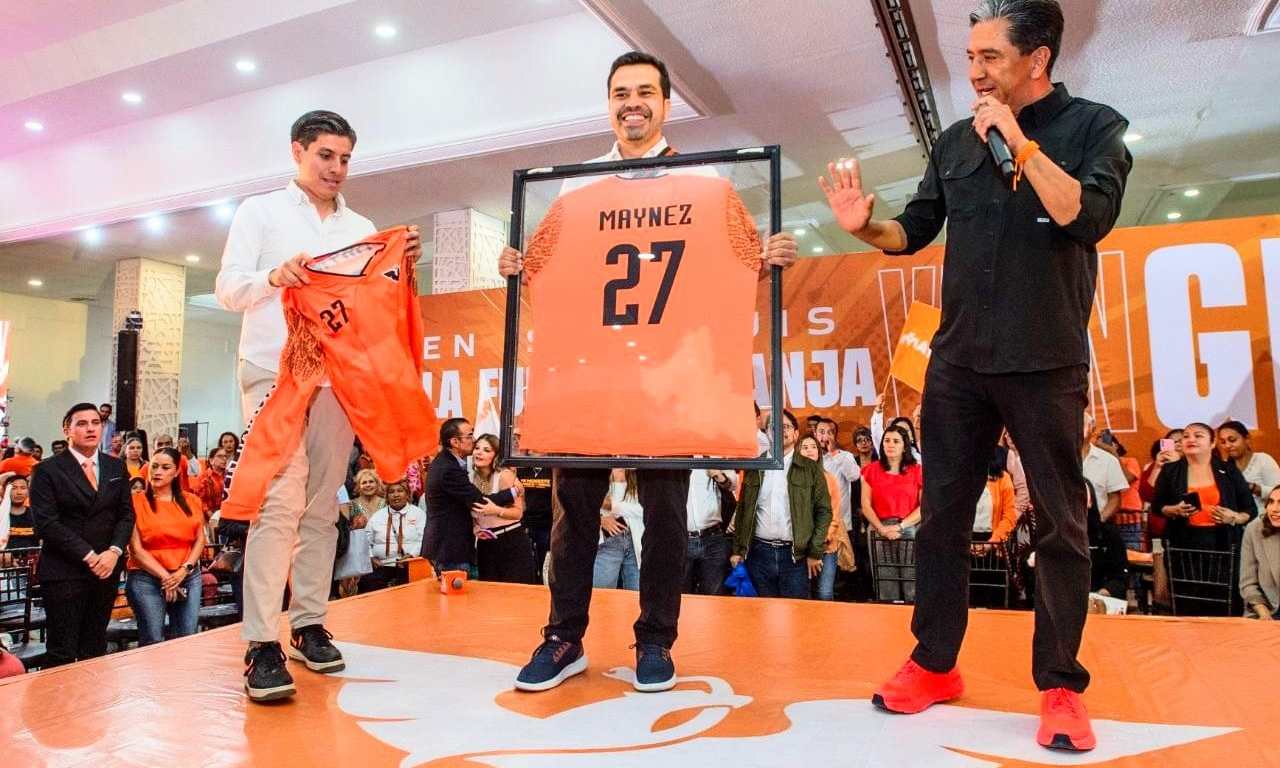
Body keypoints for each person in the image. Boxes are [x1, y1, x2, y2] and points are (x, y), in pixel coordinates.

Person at [820, 0, 1132, 750]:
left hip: (1045, 359)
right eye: (969, 57)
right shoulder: (956, 141)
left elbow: (1086, 217)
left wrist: (1021, 144)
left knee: (1060, 524)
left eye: (990, 56)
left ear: (1038, 59)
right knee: (942, 520)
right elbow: (912, 228)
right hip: (958, 361)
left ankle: (1060, 684)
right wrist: (865, 226)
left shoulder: (1095, 128)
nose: (975, 72)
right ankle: (935, 662)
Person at [499, 50, 798, 695]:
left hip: (667, 381)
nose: (632, 103)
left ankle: (656, 639)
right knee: (574, 513)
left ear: (665, 103)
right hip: (594, 377)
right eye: (620, 93)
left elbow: (736, 260)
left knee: (665, 514)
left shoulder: (703, 182)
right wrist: (518, 265)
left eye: (644, 92)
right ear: (609, 104)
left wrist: (766, 258)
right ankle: (563, 637)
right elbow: (547, 266)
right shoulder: (577, 188)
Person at [214, 109, 422, 703]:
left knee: (323, 503)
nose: (336, 168)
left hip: (338, 378)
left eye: (345, 158)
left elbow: (373, 301)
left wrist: (402, 262)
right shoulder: (260, 212)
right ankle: (261, 642)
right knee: (278, 503)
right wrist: (274, 278)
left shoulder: (361, 225)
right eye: (326, 155)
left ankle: (308, 623)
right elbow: (228, 288)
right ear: (297, 152)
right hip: (274, 371)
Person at [28, 403, 135, 667]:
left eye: (95, 423)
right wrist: (89, 555)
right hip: (65, 570)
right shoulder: (47, 470)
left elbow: (126, 515)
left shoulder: (115, 467)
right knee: (62, 651)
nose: (90, 429)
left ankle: (93, 695)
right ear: (67, 429)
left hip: (106, 570)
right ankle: (58, 696)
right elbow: (46, 524)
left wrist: (114, 552)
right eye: (82, 423)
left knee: (95, 646)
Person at [731, 411, 832, 599]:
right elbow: (743, 509)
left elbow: (824, 511)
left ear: (795, 433)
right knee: (762, 612)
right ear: (766, 433)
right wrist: (738, 550)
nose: (780, 431)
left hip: (795, 557)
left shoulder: (810, 468)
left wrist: (815, 552)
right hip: (758, 555)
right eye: (774, 427)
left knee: (796, 612)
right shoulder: (755, 467)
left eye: (785, 427)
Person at [125, 447, 206, 646]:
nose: (157, 472)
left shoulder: (192, 500)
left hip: (187, 575)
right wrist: (167, 578)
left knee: (186, 638)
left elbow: (200, 540)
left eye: (165, 467)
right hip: (146, 576)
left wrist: (184, 570)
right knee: (153, 639)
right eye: (154, 466)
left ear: (177, 471)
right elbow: (135, 549)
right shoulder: (135, 501)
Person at [423, 419, 517, 578]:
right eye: (470, 436)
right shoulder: (448, 469)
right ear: (455, 442)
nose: (474, 440)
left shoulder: (448, 463)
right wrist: (513, 492)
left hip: (453, 546)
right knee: (455, 593)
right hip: (450, 549)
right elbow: (479, 502)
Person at [1152, 422, 1253, 552]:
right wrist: (1174, 510)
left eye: (1198, 436)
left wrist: (1234, 518)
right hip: (1181, 544)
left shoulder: (1228, 470)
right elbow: (1157, 506)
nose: (1191, 440)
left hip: (1224, 543)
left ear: (1212, 443)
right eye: (1186, 436)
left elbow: (1250, 509)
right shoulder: (1170, 470)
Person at [470, 435, 535, 584]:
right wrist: (475, 527)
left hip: (511, 540)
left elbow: (518, 513)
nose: (479, 452)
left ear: (496, 455)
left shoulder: (504, 476)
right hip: (485, 543)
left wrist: (496, 510)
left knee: (514, 590)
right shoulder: (470, 478)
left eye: (486, 450)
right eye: (477, 448)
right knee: (489, 591)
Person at [800, 435, 855, 601]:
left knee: (825, 593)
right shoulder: (792, 479)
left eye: (813, 447)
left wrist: (822, 539)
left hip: (827, 544)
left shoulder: (829, 478)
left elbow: (834, 514)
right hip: (801, 546)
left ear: (819, 452)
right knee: (803, 593)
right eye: (805, 447)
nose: (810, 450)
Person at [362, 479, 426, 592]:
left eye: (400, 491)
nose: (396, 495)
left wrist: (412, 555)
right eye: (391, 492)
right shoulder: (377, 516)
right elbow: (365, 540)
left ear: (407, 494)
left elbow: (424, 538)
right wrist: (371, 557)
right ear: (387, 496)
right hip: (381, 567)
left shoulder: (418, 514)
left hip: (410, 566)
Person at [683, 467, 736, 596]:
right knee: (680, 597)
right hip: (680, 539)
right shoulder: (673, 458)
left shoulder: (712, 456)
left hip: (713, 538)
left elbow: (733, 484)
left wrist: (719, 476)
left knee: (713, 597)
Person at [594, 469, 645, 591]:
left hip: (636, 544)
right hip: (608, 542)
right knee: (602, 595)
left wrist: (611, 505)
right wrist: (600, 519)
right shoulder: (598, 471)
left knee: (636, 597)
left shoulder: (638, 472)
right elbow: (585, 502)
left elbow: (645, 509)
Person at [1217, 420, 1280, 517]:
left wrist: (1253, 488)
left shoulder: (1262, 459)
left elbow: (1278, 493)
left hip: (1265, 520)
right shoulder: (1223, 468)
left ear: (1247, 439)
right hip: (1237, 522)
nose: (1227, 445)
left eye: (1232, 440)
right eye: (1223, 442)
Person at [1080, 412, 1128, 525]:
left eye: (1081, 424)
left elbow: (1114, 498)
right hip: (1065, 528)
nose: (1076, 429)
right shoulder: (1057, 460)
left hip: (1097, 527)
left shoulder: (1108, 460)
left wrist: (1100, 519)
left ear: (1092, 428)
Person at [1239, 486, 1280, 620]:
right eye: (1271, 502)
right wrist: (1264, 614)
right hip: (1269, 609)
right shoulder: (1255, 529)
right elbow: (1248, 583)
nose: (1274, 509)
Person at [973, 447, 1019, 544]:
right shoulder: (962, 477)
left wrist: (993, 541)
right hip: (964, 543)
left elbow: (1010, 516)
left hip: (993, 543)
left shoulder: (1003, 478)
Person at [2, 475, 36, 550]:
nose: (19, 492)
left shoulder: (36, 515)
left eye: (23, 488)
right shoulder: (1, 515)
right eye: (13, 488)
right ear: (5, 491)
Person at [195, 448, 229, 520]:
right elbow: (200, 500)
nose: (224, 459)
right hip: (209, 518)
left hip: (228, 516)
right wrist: (212, 517)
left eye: (225, 456)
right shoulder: (203, 477)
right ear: (211, 460)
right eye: (220, 456)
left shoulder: (230, 475)